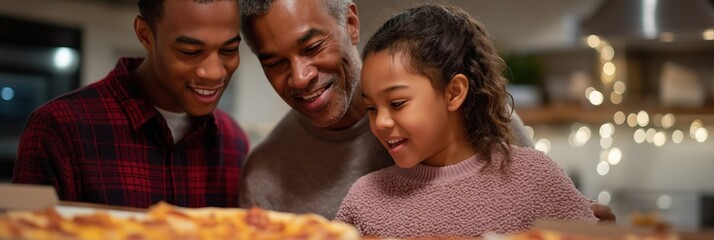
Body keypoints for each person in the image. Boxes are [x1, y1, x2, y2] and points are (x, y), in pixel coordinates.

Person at [238, 0, 614, 222]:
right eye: (274, 63)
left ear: (350, 24)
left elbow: (533, 202)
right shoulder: (266, 178)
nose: (300, 77)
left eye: (313, 46)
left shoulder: (471, 121)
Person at [334, 4, 598, 238]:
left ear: (454, 92)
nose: (380, 122)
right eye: (371, 108)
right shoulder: (364, 200)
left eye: (397, 103)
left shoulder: (535, 180)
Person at [12, 0, 249, 209]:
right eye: (190, 51)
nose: (214, 72)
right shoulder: (59, 128)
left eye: (229, 50)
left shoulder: (233, 142)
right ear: (145, 35)